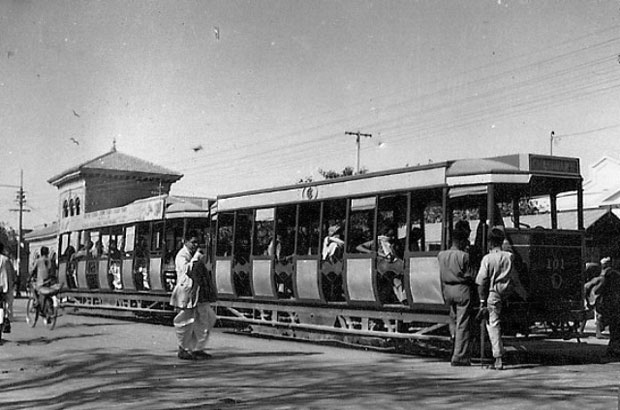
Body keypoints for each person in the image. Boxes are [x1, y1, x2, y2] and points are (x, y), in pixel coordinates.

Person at [475, 227, 527, 370]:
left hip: (494, 295)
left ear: (490, 242)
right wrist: (524, 295)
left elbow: (481, 282)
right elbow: (515, 278)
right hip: (510, 293)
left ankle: (498, 358)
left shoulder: (487, 259)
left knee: (493, 324)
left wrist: (481, 302)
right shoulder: (509, 257)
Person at [169, 233, 217, 360]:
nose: (195, 245)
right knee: (185, 322)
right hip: (186, 293)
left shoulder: (196, 255)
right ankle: (183, 349)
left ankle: (197, 348)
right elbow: (187, 270)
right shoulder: (182, 255)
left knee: (207, 319)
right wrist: (196, 258)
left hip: (198, 294)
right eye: (193, 242)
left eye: (197, 243)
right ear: (185, 241)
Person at [438, 223, 474, 366]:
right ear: (461, 241)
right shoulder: (464, 256)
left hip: (447, 290)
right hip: (462, 290)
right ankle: (460, 355)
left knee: (452, 319)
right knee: (463, 323)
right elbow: (470, 275)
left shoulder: (441, 255)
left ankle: (454, 343)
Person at [357, 224, 406, 303]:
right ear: (386, 232)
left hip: (393, 265)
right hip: (383, 266)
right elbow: (359, 247)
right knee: (395, 280)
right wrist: (373, 253)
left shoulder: (392, 242)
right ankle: (401, 298)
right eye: (391, 234)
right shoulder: (377, 241)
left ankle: (401, 298)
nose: (392, 236)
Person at [585, 257, 620, 359]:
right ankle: (613, 348)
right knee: (616, 329)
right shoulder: (616, 275)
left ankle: (612, 349)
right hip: (615, 305)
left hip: (608, 306)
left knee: (614, 328)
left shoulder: (603, 277)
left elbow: (592, 289)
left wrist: (590, 302)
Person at [0, 242, 16, 334]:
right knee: (8, 304)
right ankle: (6, 320)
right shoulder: (6, 260)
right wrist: (14, 282)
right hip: (6, 287)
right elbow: (12, 273)